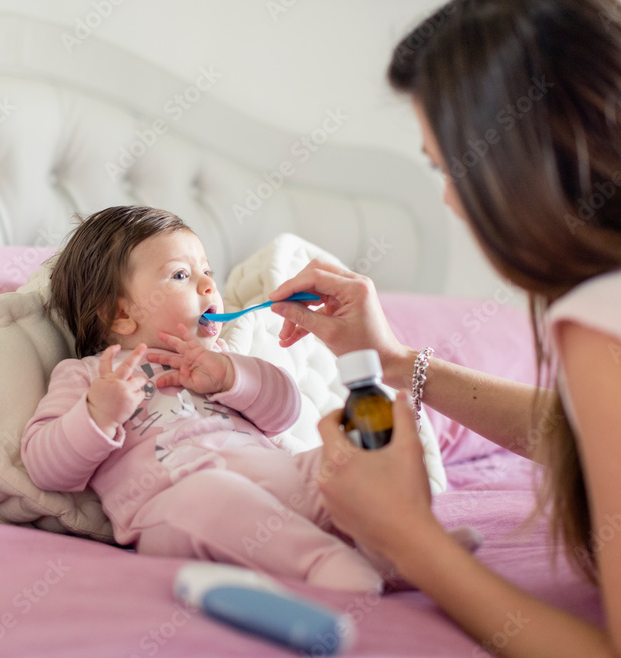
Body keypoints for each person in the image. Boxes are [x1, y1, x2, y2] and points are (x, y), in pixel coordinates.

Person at [267, 0, 621, 655]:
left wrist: (410, 538)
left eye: (441, 164)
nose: (449, 197)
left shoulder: (613, 317)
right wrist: (398, 364)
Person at [20, 205, 388, 592]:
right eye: (181, 275)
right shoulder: (90, 376)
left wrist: (231, 376)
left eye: (208, 272)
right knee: (210, 497)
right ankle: (320, 562)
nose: (209, 286)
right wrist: (98, 413)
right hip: (178, 504)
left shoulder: (223, 362)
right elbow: (45, 467)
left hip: (277, 477)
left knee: (345, 460)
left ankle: (403, 550)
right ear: (120, 314)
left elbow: (286, 411)